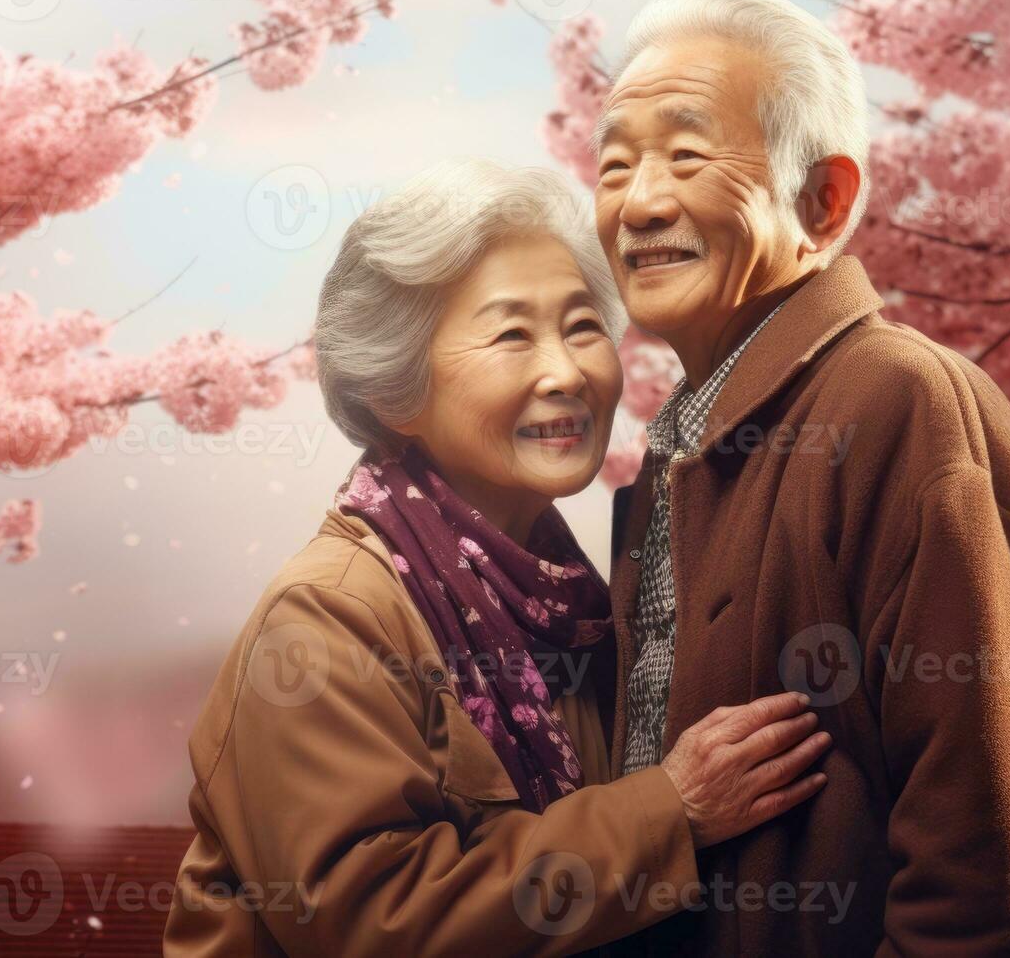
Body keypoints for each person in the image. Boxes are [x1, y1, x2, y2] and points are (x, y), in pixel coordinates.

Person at [162, 158, 832, 957]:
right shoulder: (327, 615)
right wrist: (671, 809)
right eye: (512, 335)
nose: (565, 372)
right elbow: (377, 923)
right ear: (394, 391)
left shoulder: (570, 594)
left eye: (583, 326)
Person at [590, 0, 1010, 956]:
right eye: (613, 164)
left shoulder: (898, 404)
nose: (638, 201)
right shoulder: (679, 451)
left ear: (824, 199)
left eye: (687, 153)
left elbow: (1003, 887)